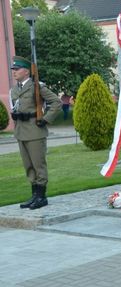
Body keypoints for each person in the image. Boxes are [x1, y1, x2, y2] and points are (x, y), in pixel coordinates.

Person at [10, 56, 61, 209]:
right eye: (13, 70)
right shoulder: (14, 89)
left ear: (26, 71)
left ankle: (41, 197)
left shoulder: (37, 87)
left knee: (38, 165)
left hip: (35, 131)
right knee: (28, 165)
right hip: (20, 131)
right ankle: (34, 195)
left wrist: (45, 119)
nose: (14, 72)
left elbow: (56, 103)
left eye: (17, 69)